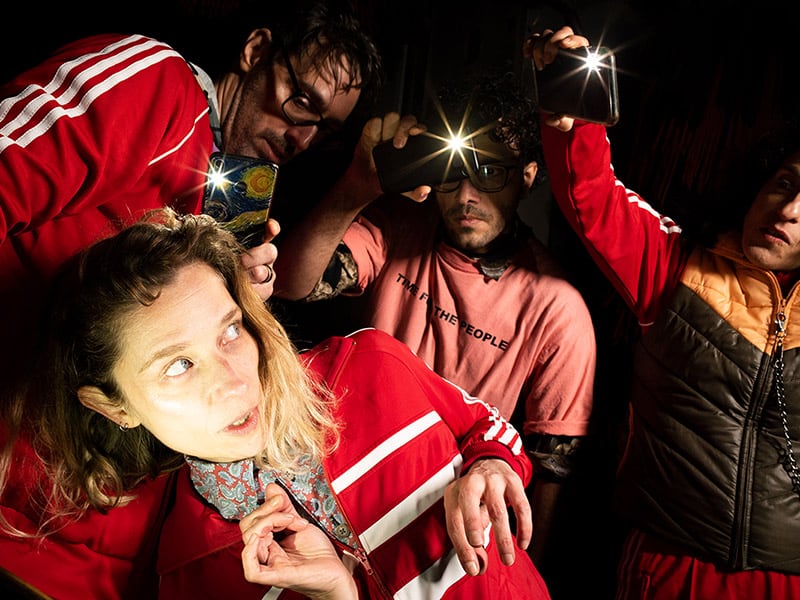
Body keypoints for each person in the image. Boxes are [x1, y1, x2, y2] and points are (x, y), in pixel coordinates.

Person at [0, 2, 382, 597]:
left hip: (93, 543)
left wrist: (236, 303)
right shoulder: (157, 83)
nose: (300, 137)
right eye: (301, 100)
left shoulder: (227, 200)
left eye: (323, 128)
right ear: (256, 52)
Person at [20, 207, 551, 599]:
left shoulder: (369, 361)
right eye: (177, 365)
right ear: (115, 407)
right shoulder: (188, 574)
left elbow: (484, 426)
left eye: (230, 333)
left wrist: (493, 464)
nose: (232, 382)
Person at [273, 72, 596, 575]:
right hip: (334, 495)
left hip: (446, 539)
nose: (466, 194)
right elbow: (293, 281)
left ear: (528, 175)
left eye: (490, 172)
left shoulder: (557, 307)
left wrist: (525, 582)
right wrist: (358, 185)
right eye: (453, 170)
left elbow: (555, 470)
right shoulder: (399, 227)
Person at [530, 25, 800, 599]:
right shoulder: (679, 267)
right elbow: (594, 197)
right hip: (669, 565)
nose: (790, 209)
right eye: (784, 183)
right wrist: (575, 108)